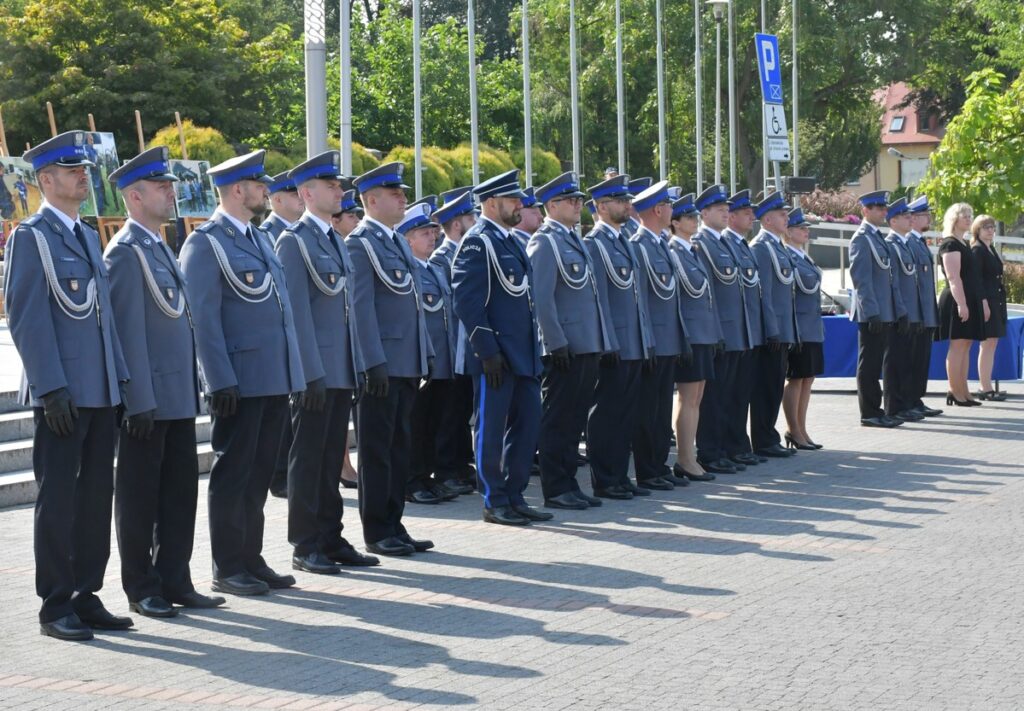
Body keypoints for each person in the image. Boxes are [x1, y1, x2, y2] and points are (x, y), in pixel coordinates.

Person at [6, 131, 131, 640]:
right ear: (46, 180)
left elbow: (103, 318)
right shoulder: (31, 237)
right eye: (72, 170)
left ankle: (86, 592)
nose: (84, 176)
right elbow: (26, 317)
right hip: (63, 394)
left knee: (96, 496)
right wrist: (50, 387)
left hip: (99, 390)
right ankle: (55, 603)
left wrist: (119, 381)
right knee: (58, 499)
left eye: (84, 169)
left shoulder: (83, 235)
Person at [103, 148, 224, 617]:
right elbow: (127, 332)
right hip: (147, 400)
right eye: (160, 186)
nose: (171, 193)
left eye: (170, 185)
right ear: (134, 196)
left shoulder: (158, 246)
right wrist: (137, 399)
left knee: (178, 493)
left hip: (175, 394)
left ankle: (175, 577)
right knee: (138, 498)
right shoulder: (126, 253)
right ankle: (142, 585)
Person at [179, 149, 306, 596]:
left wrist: (293, 372)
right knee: (233, 474)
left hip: (271, 376)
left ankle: (251, 558)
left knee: (258, 474)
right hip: (238, 379)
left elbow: (280, 312)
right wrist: (217, 378)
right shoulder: (206, 242)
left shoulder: (257, 238)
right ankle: (228, 565)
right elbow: (202, 316)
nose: (266, 191)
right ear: (238, 190)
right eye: (259, 185)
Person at [275, 151, 379, 575]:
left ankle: (331, 535)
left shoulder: (335, 239)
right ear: (307, 192)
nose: (340, 191)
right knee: (309, 458)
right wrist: (308, 373)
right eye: (332, 186)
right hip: (316, 371)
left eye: (339, 186)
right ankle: (305, 542)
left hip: (339, 368)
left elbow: (346, 310)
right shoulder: (293, 241)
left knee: (333, 452)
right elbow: (295, 313)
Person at [451, 169, 550, 526]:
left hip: (522, 352)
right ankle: (494, 499)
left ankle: (515, 493)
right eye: (513, 200)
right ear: (492, 204)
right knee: (491, 428)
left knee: (527, 426)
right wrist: (486, 351)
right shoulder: (478, 242)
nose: (520, 205)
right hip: (495, 355)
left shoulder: (510, 240)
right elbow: (466, 300)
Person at [346, 162, 435, 556]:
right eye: (394, 193)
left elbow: (413, 305)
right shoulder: (360, 243)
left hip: (406, 361)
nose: (402, 198)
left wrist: (425, 353)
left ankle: (395, 523)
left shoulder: (397, 241)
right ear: (371, 200)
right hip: (381, 365)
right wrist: (371, 362)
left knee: (400, 447)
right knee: (377, 450)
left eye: (401, 192)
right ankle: (377, 529)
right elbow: (360, 308)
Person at [528, 172, 616, 509]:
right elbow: (542, 298)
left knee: (575, 418)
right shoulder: (545, 241)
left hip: (586, 343)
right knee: (558, 420)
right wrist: (554, 342)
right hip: (565, 346)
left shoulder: (573, 239)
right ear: (552, 205)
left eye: (579, 200)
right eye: (571, 200)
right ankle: (556, 488)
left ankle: (570, 484)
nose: (578, 205)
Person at [584, 174, 656, 500]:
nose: (628, 205)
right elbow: (598, 299)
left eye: (628, 201)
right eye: (620, 201)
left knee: (626, 412)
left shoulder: (623, 241)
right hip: (615, 344)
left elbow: (638, 296)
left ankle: (620, 475)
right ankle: (605, 477)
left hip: (634, 342)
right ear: (600, 206)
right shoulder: (594, 244)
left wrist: (646, 338)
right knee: (607, 413)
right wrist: (608, 341)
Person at [399, 203, 472, 504]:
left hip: (443, 360)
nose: (432, 237)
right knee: (417, 424)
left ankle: (428, 476)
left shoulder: (434, 268)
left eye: (432, 232)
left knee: (435, 423)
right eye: (424, 233)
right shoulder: (409, 270)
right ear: (407, 239)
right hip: (423, 362)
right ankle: (412, 479)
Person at [630, 180, 693, 491]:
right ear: (658, 210)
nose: (672, 210)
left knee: (661, 409)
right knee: (647, 409)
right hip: (652, 341)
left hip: (668, 340)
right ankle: (647, 469)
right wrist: (648, 340)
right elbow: (640, 298)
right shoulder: (639, 245)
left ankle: (659, 464)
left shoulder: (658, 244)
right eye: (669, 205)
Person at [692, 185, 749, 472]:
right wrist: (715, 331)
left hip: (735, 330)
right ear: (703, 213)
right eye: (719, 210)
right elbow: (707, 293)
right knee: (713, 398)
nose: (726, 214)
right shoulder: (701, 243)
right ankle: (710, 452)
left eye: (727, 210)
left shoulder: (726, 242)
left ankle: (728, 447)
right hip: (719, 332)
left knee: (730, 395)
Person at [667, 193, 721, 481]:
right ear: (674, 223)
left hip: (702, 333)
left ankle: (691, 455)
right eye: (688, 217)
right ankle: (685, 458)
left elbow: (706, 296)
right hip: (690, 334)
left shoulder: (692, 251)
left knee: (697, 397)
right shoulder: (674, 251)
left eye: (694, 216)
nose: (694, 221)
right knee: (687, 398)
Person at [259, 169, 305, 498]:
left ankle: (285, 472)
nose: (299, 199)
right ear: (276, 200)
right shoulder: (269, 233)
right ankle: (279, 474)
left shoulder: (295, 232)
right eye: (292, 194)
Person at [849, 190, 907, 427]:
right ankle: (870, 412)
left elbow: (889, 277)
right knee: (870, 365)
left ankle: (877, 410)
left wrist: (898, 310)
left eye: (884, 208)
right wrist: (872, 311)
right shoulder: (861, 238)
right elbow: (861, 280)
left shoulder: (877, 237)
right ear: (865, 211)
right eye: (879, 208)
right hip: (871, 312)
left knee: (876, 363)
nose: (884, 212)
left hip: (884, 311)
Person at [750, 192, 800, 456]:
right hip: (773, 331)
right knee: (766, 387)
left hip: (782, 328)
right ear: (767, 219)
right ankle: (763, 439)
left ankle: (769, 436)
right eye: (782, 215)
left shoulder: (777, 245)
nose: (787, 218)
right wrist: (773, 330)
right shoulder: (761, 247)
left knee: (774, 384)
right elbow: (764, 293)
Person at [722, 190, 767, 466]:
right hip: (730, 331)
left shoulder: (741, 245)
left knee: (740, 393)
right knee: (725, 395)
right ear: (732, 216)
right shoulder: (722, 243)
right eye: (746, 212)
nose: (752, 216)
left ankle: (738, 444)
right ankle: (727, 447)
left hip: (746, 329)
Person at [782, 208, 825, 449]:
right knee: (796, 378)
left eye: (806, 228)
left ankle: (802, 428)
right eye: (801, 228)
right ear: (788, 232)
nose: (806, 231)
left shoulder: (802, 256)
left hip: (811, 326)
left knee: (808, 378)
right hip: (799, 326)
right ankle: (793, 429)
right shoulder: (789, 256)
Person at [882, 197, 927, 423]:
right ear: (893, 221)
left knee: (907, 361)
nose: (911, 220)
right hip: (899, 312)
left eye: (911, 216)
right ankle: (893, 405)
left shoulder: (905, 244)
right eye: (905, 217)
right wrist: (902, 311)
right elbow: (894, 282)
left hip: (910, 311)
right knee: (895, 361)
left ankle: (906, 403)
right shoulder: (891, 245)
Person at [332, 189, 364, 489]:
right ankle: (342, 465)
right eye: (351, 216)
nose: (356, 220)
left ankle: (345, 464)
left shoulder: (342, 247)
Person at [936, 202, 984, 406]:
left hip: (968, 299)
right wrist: (962, 304)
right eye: (964, 215)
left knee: (966, 344)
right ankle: (955, 392)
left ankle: (964, 391)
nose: (968, 218)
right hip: (957, 299)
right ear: (954, 219)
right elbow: (954, 277)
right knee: (957, 346)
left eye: (970, 215)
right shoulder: (950, 244)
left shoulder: (964, 244)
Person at [905, 196, 943, 417]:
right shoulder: (910, 242)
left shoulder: (919, 241)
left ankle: (916, 399)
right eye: (924, 214)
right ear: (913, 218)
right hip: (916, 313)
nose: (929, 217)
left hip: (926, 312)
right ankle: (909, 400)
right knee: (913, 358)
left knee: (922, 359)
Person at [971, 214, 1007, 401]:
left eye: (992, 227)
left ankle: (987, 384)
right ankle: (984, 387)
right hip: (987, 300)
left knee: (992, 343)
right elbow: (977, 280)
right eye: (986, 227)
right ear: (977, 230)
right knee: (987, 344)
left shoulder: (990, 248)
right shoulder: (977, 250)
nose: (990, 230)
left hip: (996, 299)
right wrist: (983, 303)